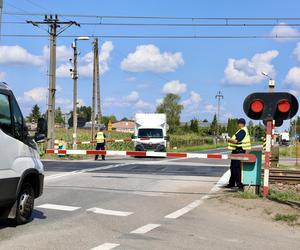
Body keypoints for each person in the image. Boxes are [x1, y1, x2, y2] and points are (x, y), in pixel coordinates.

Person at [226, 118, 251, 190]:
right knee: (233, 167)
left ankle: (239, 184)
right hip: (237, 151)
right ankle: (232, 183)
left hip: (239, 151)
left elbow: (236, 141)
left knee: (236, 168)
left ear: (240, 124)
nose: (237, 125)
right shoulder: (242, 130)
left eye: (238, 123)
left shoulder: (242, 131)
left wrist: (228, 139)